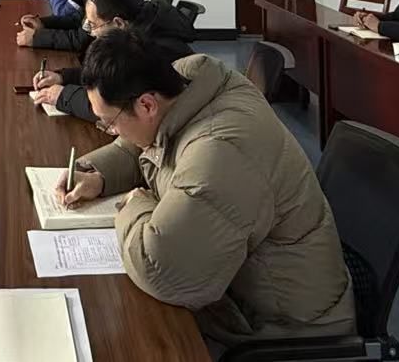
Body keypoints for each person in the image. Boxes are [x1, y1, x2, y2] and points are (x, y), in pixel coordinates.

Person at [59, 30, 356, 349]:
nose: (111, 130)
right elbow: (150, 144)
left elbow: (164, 273)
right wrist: (98, 175)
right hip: (239, 289)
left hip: (284, 325)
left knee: (119, 335)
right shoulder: (186, 86)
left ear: (146, 105)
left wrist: (136, 206)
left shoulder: (221, 149)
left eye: (109, 122)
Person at [31, 0, 196, 122]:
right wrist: (63, 77)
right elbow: (110, 75)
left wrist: (62, 96)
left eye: (94, 25)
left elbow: (116, 109)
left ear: (118, 24)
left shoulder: (148, 48)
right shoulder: (140, 28)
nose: (92, 33)